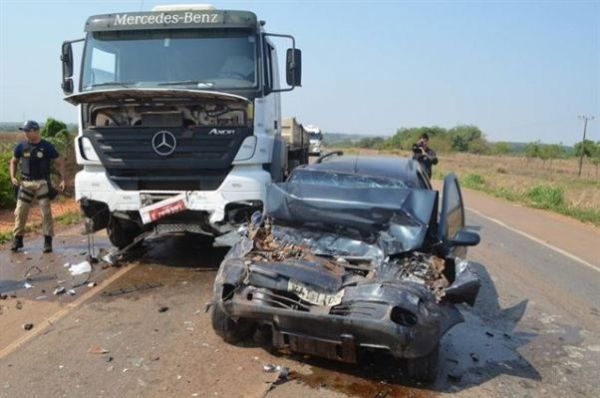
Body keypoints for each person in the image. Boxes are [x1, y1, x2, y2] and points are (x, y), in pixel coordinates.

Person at [9, 120, 66, 253]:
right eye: (24, 130)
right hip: (26, 183)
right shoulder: (21, 146)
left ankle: (47, 241)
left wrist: (63, 179)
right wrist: (12, 177)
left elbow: (60, 161)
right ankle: (18, 239)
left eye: (28, 130)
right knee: (20, 211)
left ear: (36, 131)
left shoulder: (47, 146)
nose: (25, 133)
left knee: (45, 212)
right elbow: (13, 161)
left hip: (42, 183)